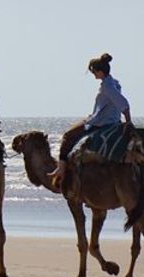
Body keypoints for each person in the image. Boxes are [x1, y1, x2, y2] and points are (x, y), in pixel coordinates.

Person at [50, 52, 132, 183]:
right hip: (107, 119)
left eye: (94, 72)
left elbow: (123, 103)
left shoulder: (108, 86)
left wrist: (128, 122)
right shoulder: (113, 82)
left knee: (68, 136)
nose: (93, 74)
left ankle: (61, 169)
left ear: (100, 72)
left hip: (101, 122)